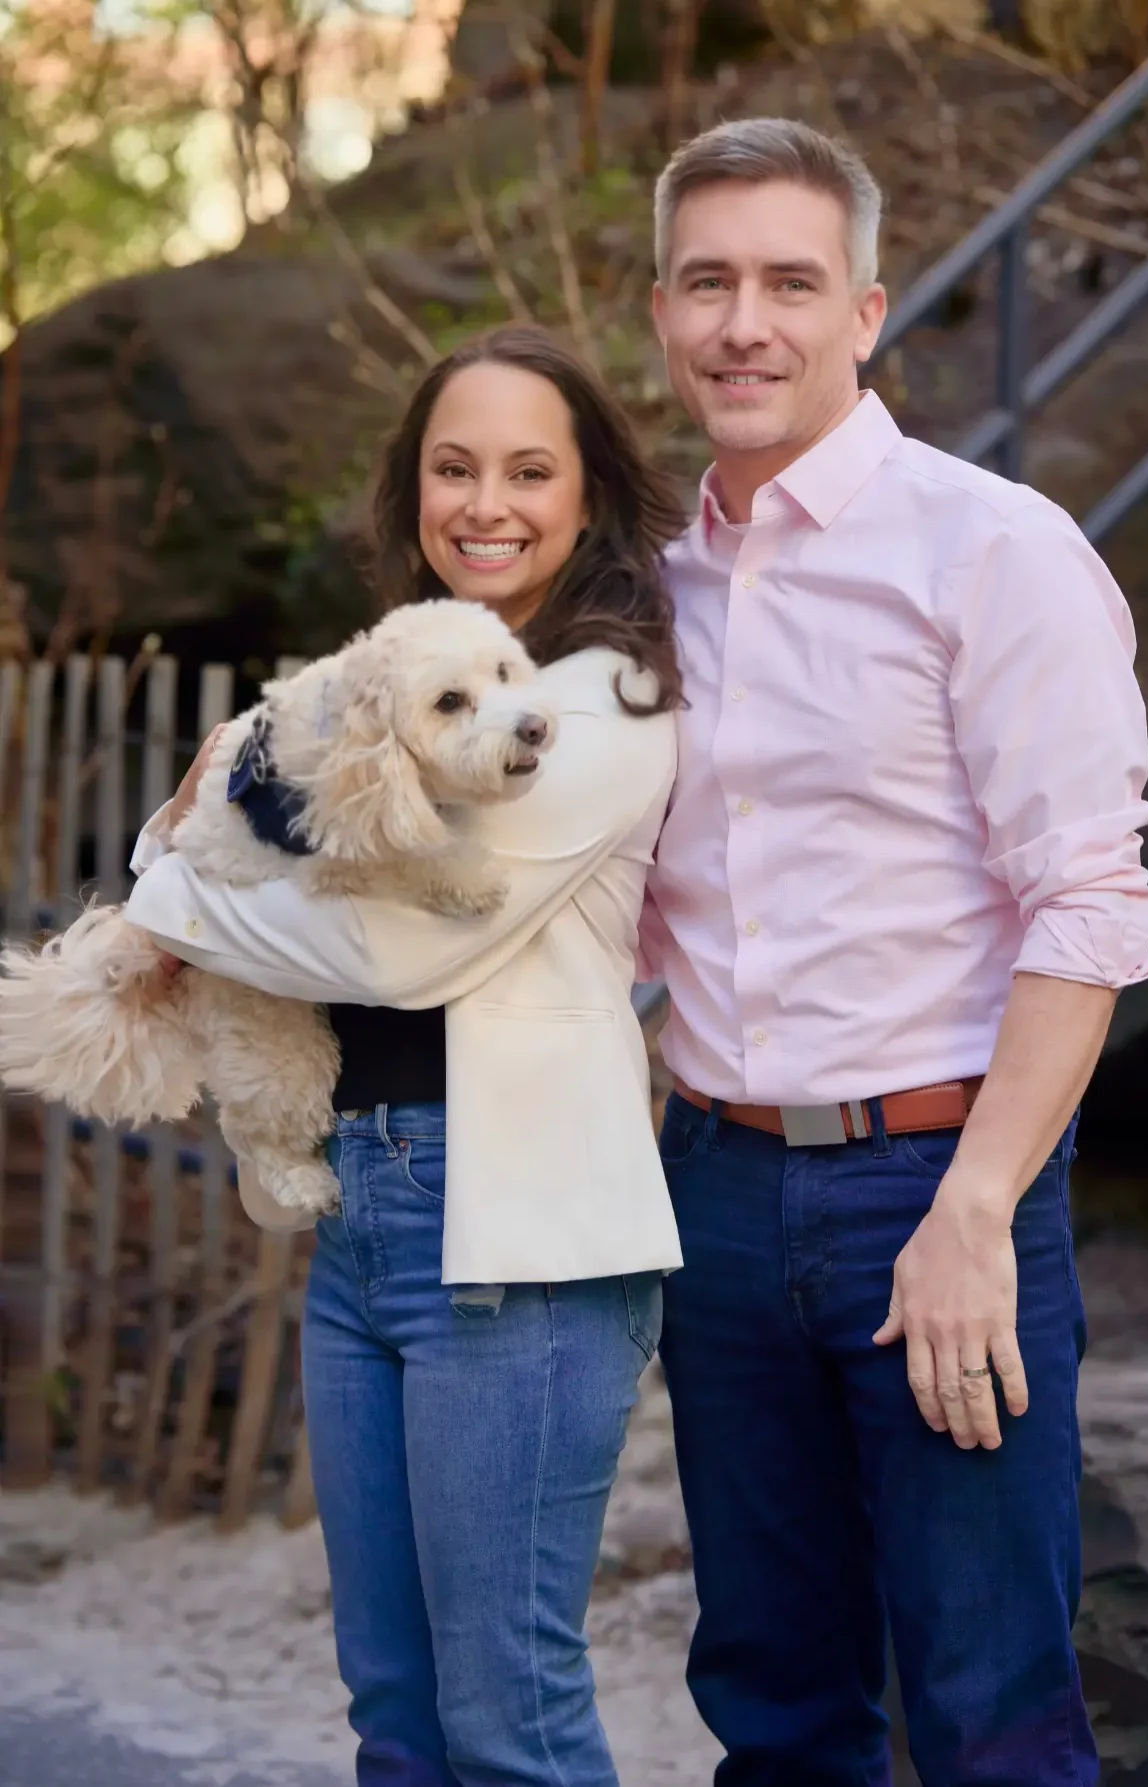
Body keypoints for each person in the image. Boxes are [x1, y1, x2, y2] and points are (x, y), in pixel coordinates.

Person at [637, 119, 1148, 1787]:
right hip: (714, 1193)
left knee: (990, 1706)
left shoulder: (989, 549)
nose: (746, 322)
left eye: (788, 282)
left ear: (865, 311)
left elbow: (1086, 905)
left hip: (935, 1182)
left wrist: (975, 1214)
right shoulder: (646, 587)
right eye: (707, 281)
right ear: (657, 310)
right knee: (775, 1704)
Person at [126, 326, 687, 1787]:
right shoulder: (392, 686)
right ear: (412, 486)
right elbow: (233, 823)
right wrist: (190, 855)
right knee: (392, 1706)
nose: (483, 502)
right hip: (367, 1213)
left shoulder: (602, 703)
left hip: (518, 1244)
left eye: (526, 469)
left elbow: (405, 946)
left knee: (505, 1713)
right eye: (452, 466)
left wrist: (163, 891)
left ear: (588, 495)